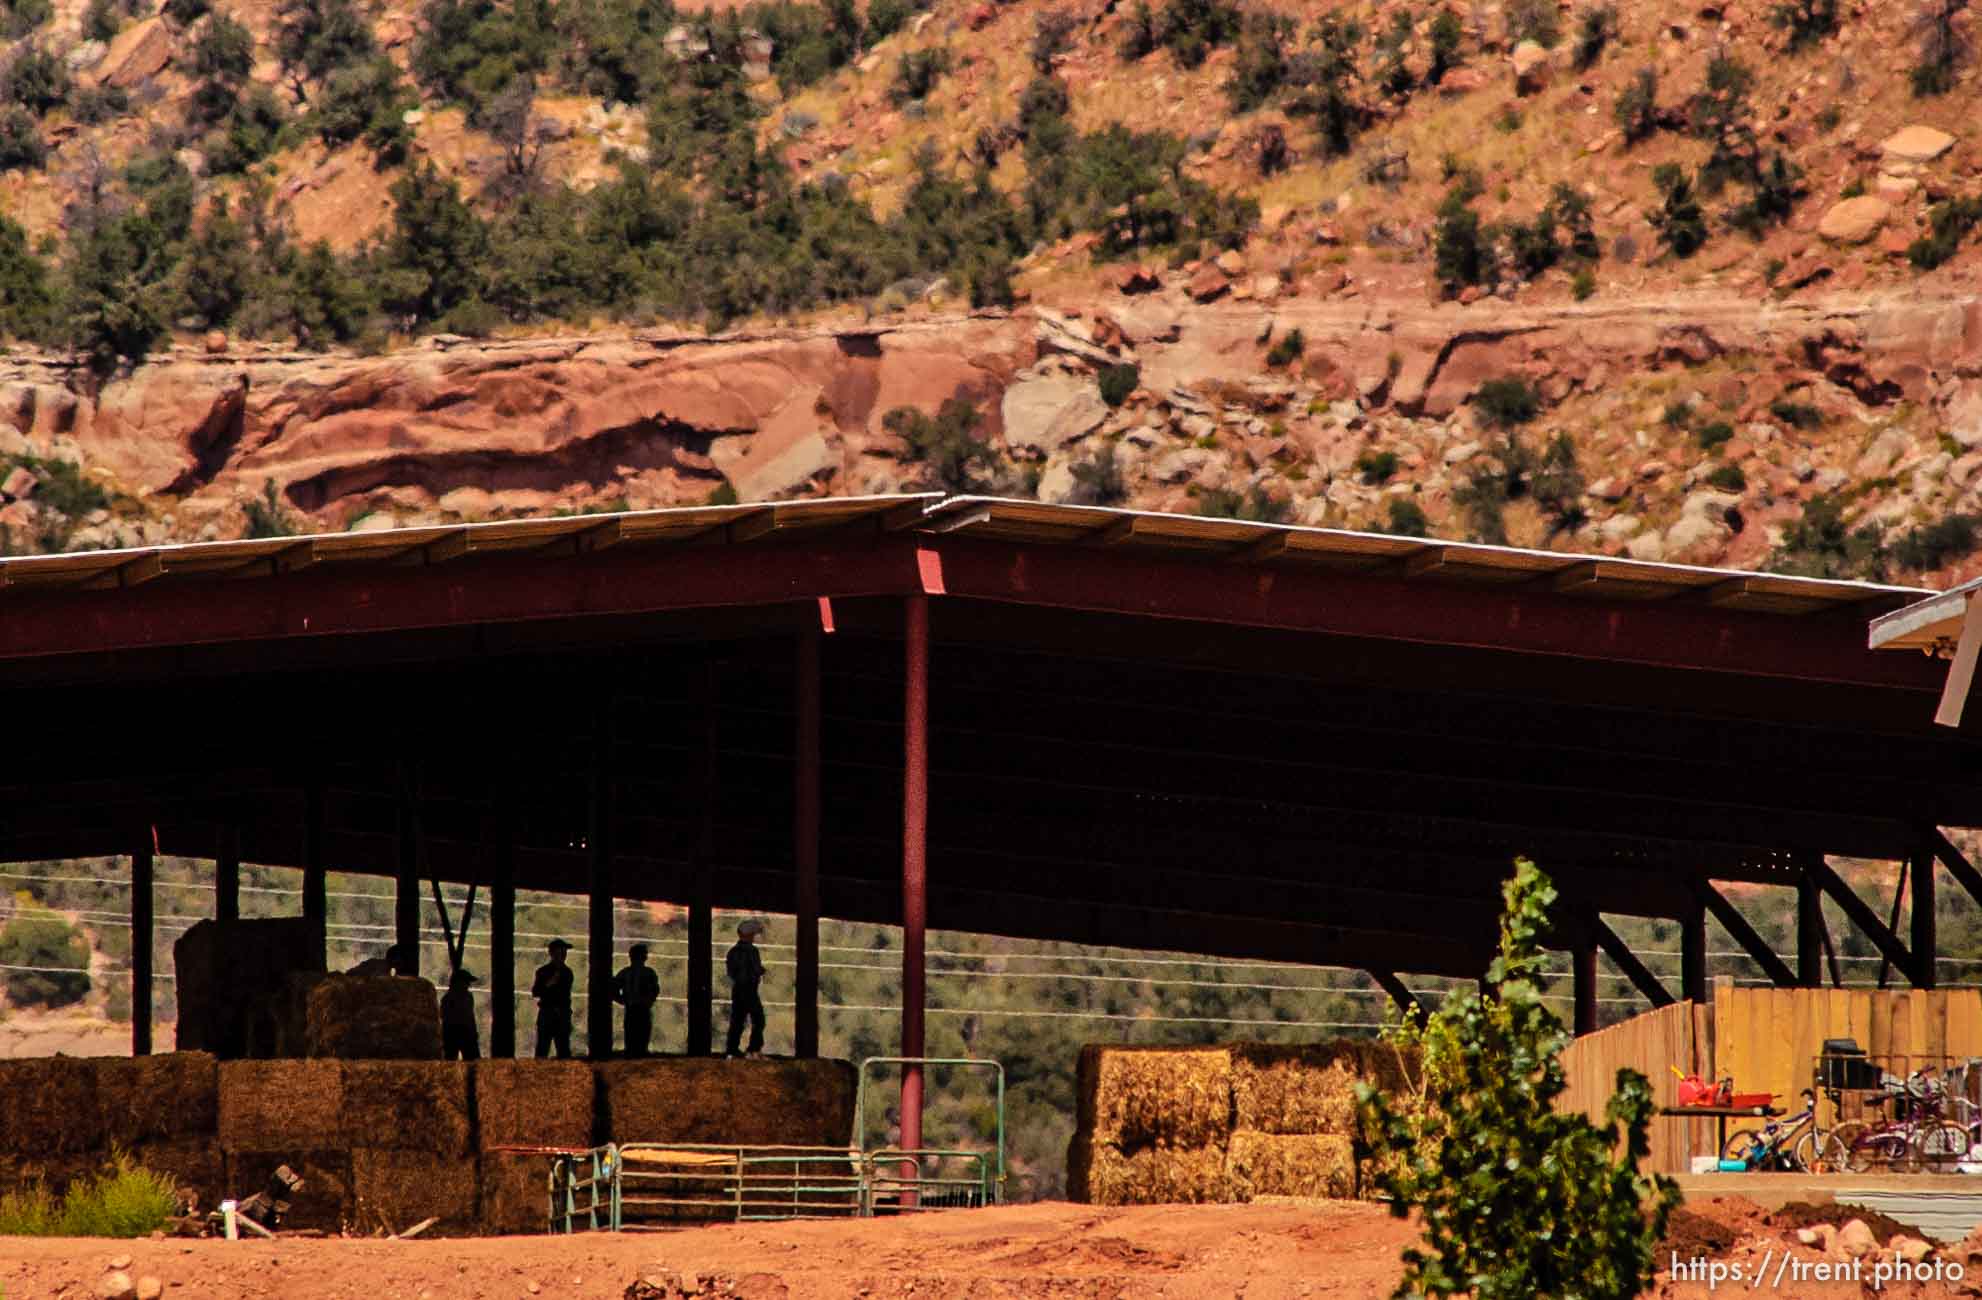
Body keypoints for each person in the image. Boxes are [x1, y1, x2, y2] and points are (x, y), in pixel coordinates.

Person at [724, 919, 766, 1058]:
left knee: (737, 1021)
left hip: (738, 990)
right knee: (758, 1020)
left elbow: (732, 972)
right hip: (750, 991)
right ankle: (753, 1049)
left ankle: (731, 1050)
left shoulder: (732, 952)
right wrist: (760, 971)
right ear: (749, 935)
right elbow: (755, 970)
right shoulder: (753, 951)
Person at [612, 943, 661, 1059]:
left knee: (632, 1032)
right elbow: (655, 990)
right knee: (641, 1032)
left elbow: (613, 988)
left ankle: (633, 1053)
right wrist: (649, 1001)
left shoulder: (625, 973)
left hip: (633, 1008)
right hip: (641, 1008)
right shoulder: (649, 973)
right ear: (645, 957)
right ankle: (640, 1053)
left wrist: (622, 1000)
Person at [531, 938, 574, 1059]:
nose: (564, 955)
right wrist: (549, 984)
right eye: (561, 952)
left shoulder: (567, 972)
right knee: (542, 1049)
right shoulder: (543, 972)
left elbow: (563, 994)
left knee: (563, 1050)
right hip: (547, 1013)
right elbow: (535, 992)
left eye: (565, 952)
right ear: (552, 953)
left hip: (561, 1014)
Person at [440, 967, 480, 1061]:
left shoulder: (468, 997)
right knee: (450, 1061)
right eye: (466, 982)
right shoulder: (448, 999)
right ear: (457, 982)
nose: (468, 985)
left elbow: (470, 1016)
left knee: (473, 1061)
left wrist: (473, 1032)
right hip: (453, 1034)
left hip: (465, 1034)